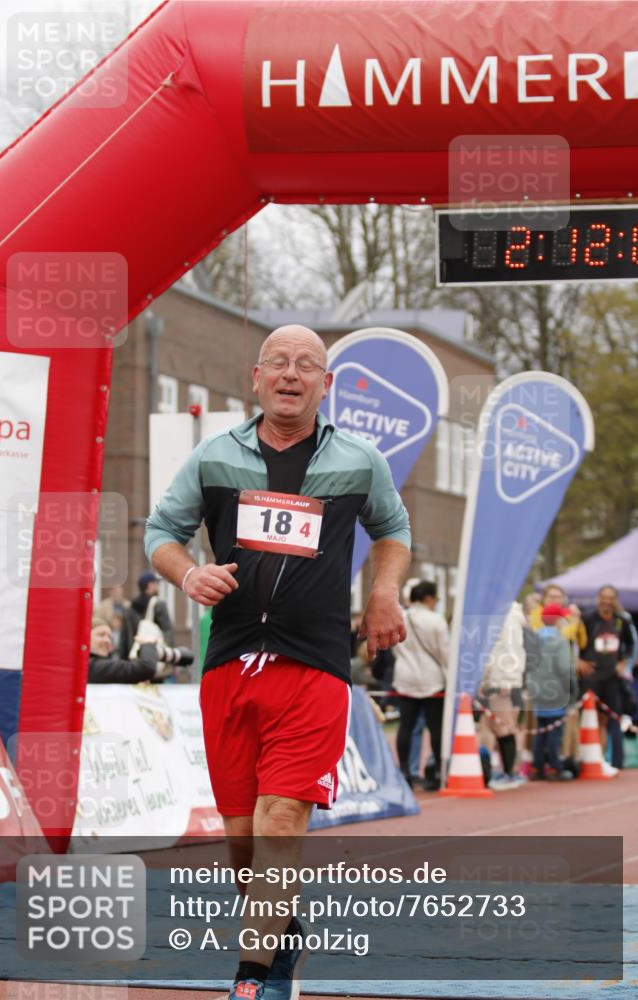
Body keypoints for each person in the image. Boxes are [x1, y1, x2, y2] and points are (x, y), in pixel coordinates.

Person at [144, 325, 411, 1000]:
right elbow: (160, 533)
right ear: (256, 378)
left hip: (313, 661)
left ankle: (253, 975)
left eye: (307, 366)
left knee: (280, 819)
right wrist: (187, 575)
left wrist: (382, 594)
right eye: (279, 364)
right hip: (229, 660)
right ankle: (282, 929)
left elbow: (393, 530)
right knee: (240, 837)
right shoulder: (212, 457)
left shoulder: (359, 460)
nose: (291, 375)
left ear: (326, 385)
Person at [393, 581, 448, 791]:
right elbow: (445, 653)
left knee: (405, 726)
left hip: (405, 677)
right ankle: (436, 773)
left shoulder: (400, 617)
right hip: (432, 679)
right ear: (428, 598)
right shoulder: (435, 620)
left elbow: (394, 647)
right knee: (435, 728)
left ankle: (405, 771)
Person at [577, 584, 634, 769]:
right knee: (592, 718)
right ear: (598, 598)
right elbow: (572, 642)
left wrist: (623, 663)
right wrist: (578, 661)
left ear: (615, 600)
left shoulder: (621, 621)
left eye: (611, 598)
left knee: (614, 718)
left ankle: (617, 762)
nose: (606, 601)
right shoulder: (587, 619)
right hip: (591, 676)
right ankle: (592, 759)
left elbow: (632, 645)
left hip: (612, 677)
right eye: (603, 597)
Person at [478, 601, 530, 790]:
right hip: (505, 677)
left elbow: (500, 649)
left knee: (503, 726)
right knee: (500, 725)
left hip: (501, 678)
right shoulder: (512, 615)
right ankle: (509, 771)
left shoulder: (503, 617)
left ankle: (510, 773)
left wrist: (492, 678)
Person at [525, 604, 574, 780]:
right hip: (557, 691)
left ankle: (537, 768)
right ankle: (555, 767)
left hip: (538, 690)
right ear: (557, 620)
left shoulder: (534, 638)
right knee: (555, 730)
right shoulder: (560, 641)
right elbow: (564, 667)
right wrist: (571, 688)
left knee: (541, 729)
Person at [119, 570, 175, 657]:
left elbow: (124, 638)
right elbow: (167, 631)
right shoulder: (158, 605)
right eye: (156, 583)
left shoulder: (130, 607)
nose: (158, 586)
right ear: (150, 585)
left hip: (134, 657)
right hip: (154, 656)